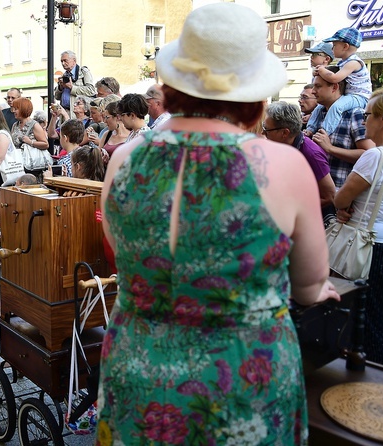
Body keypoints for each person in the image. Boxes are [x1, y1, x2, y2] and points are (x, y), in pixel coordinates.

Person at [97, 3, 340, 444]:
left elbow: (121, 247)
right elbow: (308, 284)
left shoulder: (125, 159)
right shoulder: (283, 166)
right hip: (243, 380)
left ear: (171, 89)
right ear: (254, 98)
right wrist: (316, 289)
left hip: (140, 369)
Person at [333, 88, 383, 367]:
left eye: (367, 116)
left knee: (364, 318)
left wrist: (344, 207)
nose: (364, 121)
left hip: (371, 246)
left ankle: (368, 379)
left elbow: (341, 197)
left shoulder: (376, 156)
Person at [263, 102, 336, 221]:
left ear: (284, 133)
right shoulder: (286, 146)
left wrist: (289, 209)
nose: (263, 133)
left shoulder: (311, 154)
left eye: (267, 130)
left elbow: (330, 197)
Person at [310, 66, 374, 188]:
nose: (313, 91)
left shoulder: (355, 114)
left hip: (340, 195)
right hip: (316, 191)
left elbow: (369, 155)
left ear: (335, 87)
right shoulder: (318, 113)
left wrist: (330, 148)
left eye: (318, 86)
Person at [308, 28, 372, 136]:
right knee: (319, 107)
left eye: (334, 45)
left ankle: (324, 132)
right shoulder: (343, 63)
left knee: (337, 106)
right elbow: (331, 74)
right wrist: (319, 71)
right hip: (350, 96)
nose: (332, 48)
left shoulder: (354, 62)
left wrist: (323, 70)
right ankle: (310, 128)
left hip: (360, 97)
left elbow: (334, 78)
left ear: (345, 46)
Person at [11, 97, 49, 180]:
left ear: (23, 109)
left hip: (32, 168)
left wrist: (30, 142)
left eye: (16, 109)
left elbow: (45, 144)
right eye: (13, 108)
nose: (13, 111)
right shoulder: (15, 125)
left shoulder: (34, 125)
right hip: (18, 167)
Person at [55, 50, 96, 115]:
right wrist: (60, 87)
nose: (63, 63)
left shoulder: (83, 72)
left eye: (65, 60)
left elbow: (91, 91)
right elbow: (57, 97)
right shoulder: (64, 75)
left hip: (78, 114)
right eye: (61, 61)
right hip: (65, 113)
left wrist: (72, 88)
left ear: (74, 60)